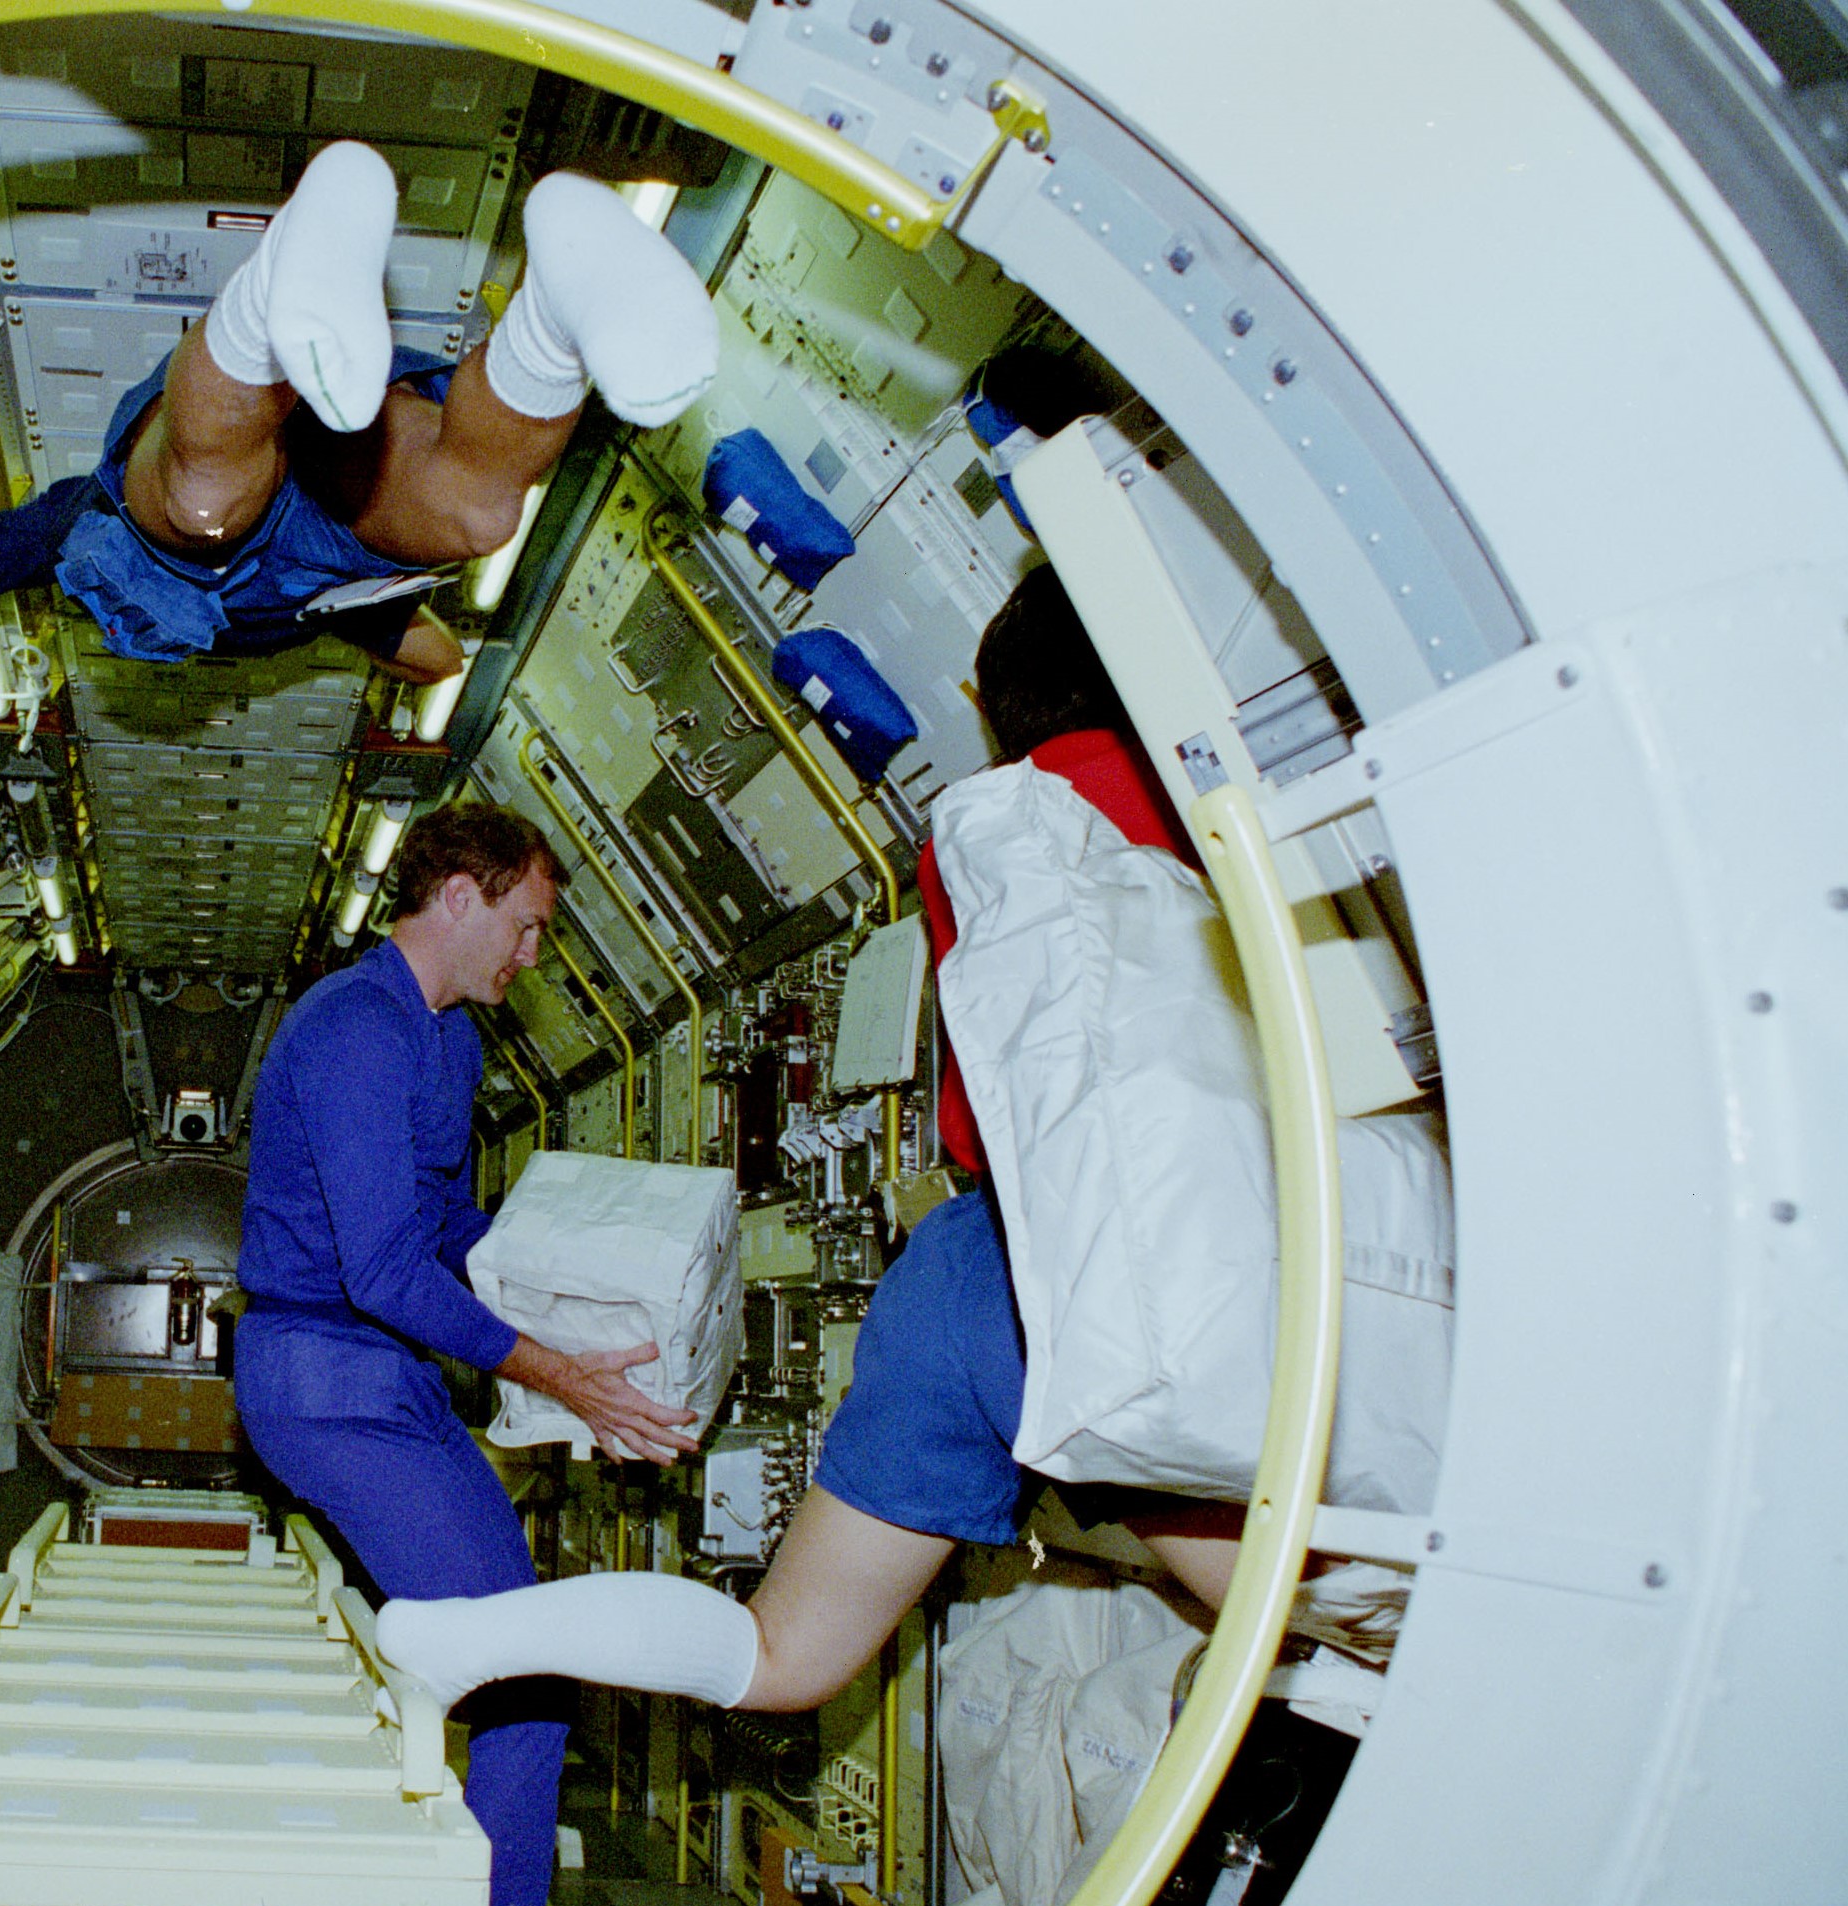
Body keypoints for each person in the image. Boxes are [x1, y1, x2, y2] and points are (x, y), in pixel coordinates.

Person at [374, 567, 1249, 1720]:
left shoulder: (980, 829)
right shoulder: (1205, 783)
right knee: (1293, 1584)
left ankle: (471, 1640)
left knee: (780, 1655)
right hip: (1176, 1232)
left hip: (972, 1269)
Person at [233, 801, 701, 1906]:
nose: (533, 955)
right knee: (524, 1678)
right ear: (456, 895)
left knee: (525, 1672)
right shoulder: (353, 1032)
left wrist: (591, 1272)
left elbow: (449, 1223)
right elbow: (382, 1268)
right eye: (528, 924)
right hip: (327, 1382)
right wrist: (557, 1374)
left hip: (387, 1382)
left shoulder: (442, 1039)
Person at [0, 143, 717, 681]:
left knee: (202, 502)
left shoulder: (57, 533)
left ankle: (275, 292)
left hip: (183, 499)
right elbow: (440, 659)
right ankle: (559, 313)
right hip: (334, 514)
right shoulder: (324, 619)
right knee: (476, 514)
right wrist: (352, 638)